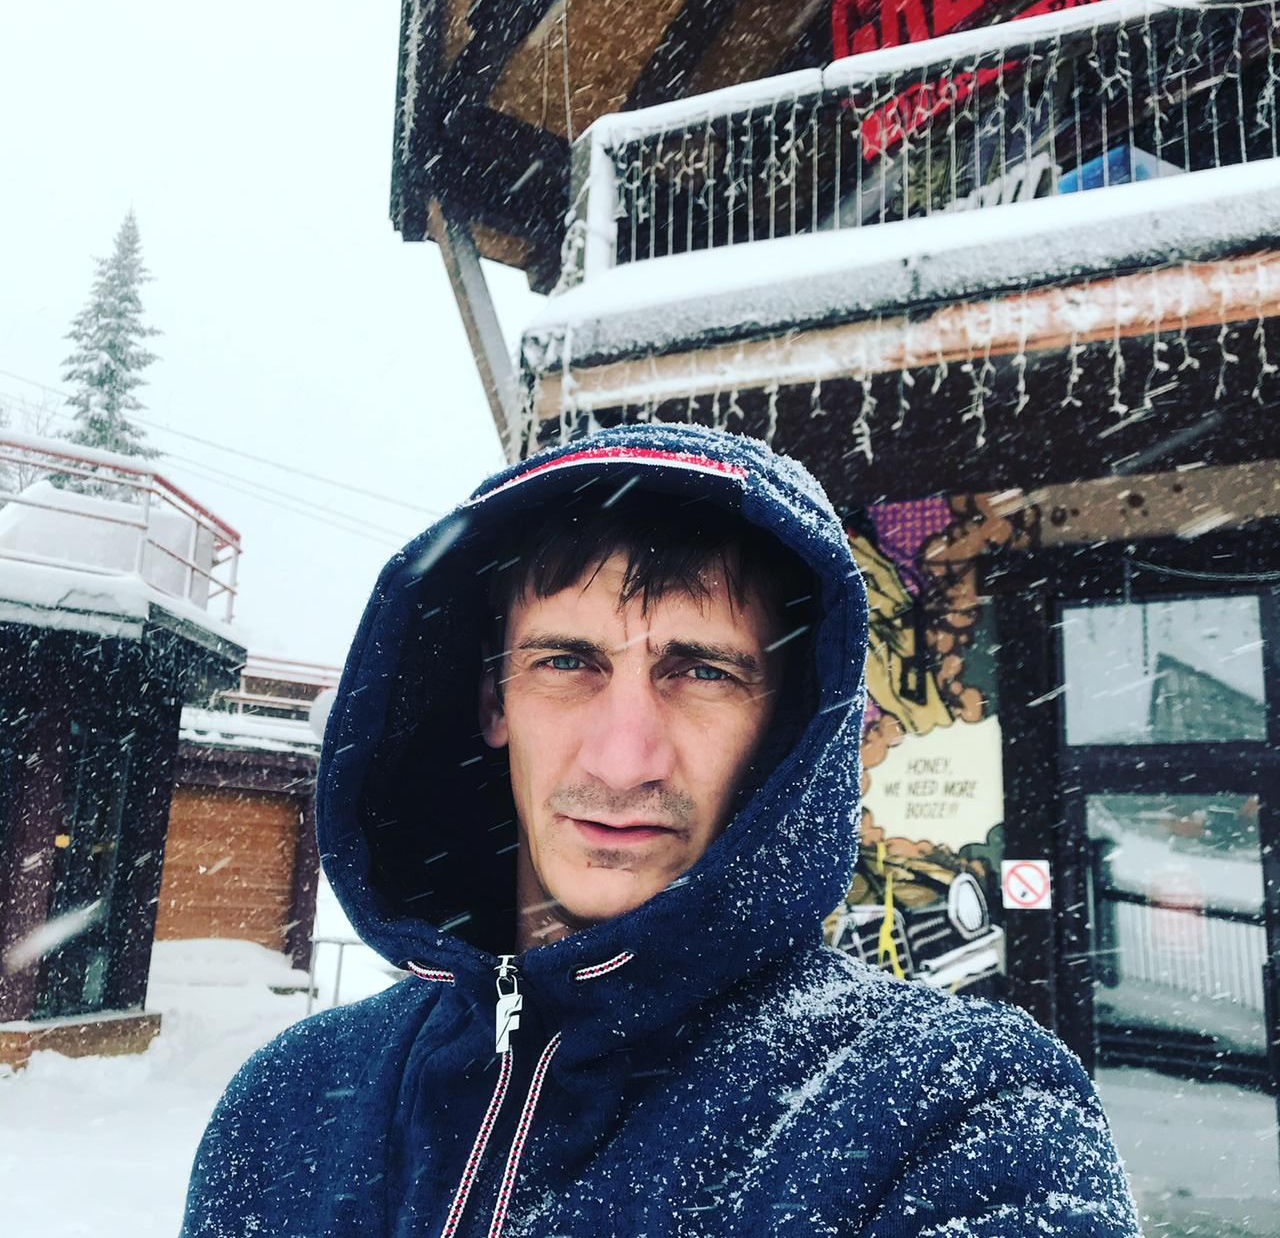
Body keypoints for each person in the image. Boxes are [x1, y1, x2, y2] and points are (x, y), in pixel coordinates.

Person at [181, 423, 1140, 1237]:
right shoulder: (288, 1110)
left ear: (785, 730)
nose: (623, 759)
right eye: (567, 662)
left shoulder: (950, 1116)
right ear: (494, 701)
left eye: (702, 672)